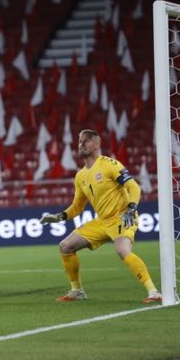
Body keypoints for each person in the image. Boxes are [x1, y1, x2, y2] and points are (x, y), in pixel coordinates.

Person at [40, 129, 162, 303]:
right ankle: (77, 291)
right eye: (80, 140)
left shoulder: (109, 165)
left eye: (87, 140)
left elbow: (134, 187)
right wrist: (58, 217)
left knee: (122, 250)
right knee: (65, 246)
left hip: (122, 216)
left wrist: (131, 209)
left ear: (97, 144)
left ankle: (153, 292)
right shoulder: (80, 176)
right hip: (102, 221)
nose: (81, 144)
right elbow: (77, 207)